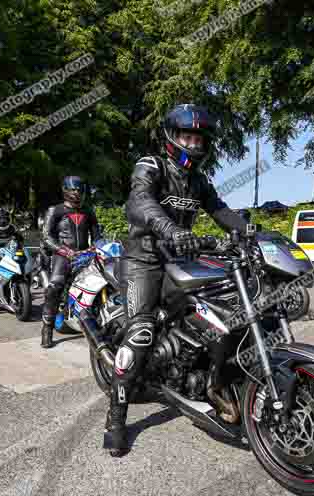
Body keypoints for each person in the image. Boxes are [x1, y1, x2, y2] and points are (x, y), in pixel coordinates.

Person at [104, 103, 249, 457]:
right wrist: (167, 227)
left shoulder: (199, 180)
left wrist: (251, 234)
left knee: (218, 308)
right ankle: (116, 418)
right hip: (144, 260)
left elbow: (221, 212)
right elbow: (138, 202)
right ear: (171, 136)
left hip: (181, 258)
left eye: (199, 138)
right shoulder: (150, 165)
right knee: (141, 332)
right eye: (187, 136)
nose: (194, 144)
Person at [40, 175, 102, 348]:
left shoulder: (89, 211)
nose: (77, 193)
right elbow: (46, 237)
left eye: (80, 189)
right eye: (73, 189)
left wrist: (96, 247)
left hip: (85, 255)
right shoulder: (55, 210)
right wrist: (64, 251)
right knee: (54, 287)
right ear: (65, 190)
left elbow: (97, 236)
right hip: (63, 255)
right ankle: (47, 328)